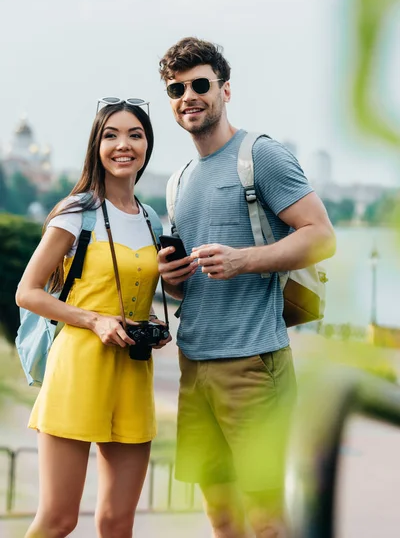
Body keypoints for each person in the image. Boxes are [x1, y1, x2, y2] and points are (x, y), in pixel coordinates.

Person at [157, 37, 336, 538]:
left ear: (225, 90)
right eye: (177, 88)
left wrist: (244, 260)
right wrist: (172, 282)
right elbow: (187, 291)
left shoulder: (260, 156)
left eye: (199, 84)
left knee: (266, 521)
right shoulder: (179, 180)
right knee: (222, 518)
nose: (188, 95)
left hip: (254, 365)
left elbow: (322, 237)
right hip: (194, 368)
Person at [16, 99, 171, 538]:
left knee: (117, 522)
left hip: (133, 373)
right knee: (59, 520)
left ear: (147, 145)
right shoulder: (76, 211)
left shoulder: (152, 219)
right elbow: (26, 292)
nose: (124, 144)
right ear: (96, 145)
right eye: (112, 135)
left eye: (135, 135)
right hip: (79, 368)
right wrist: (94, 320)